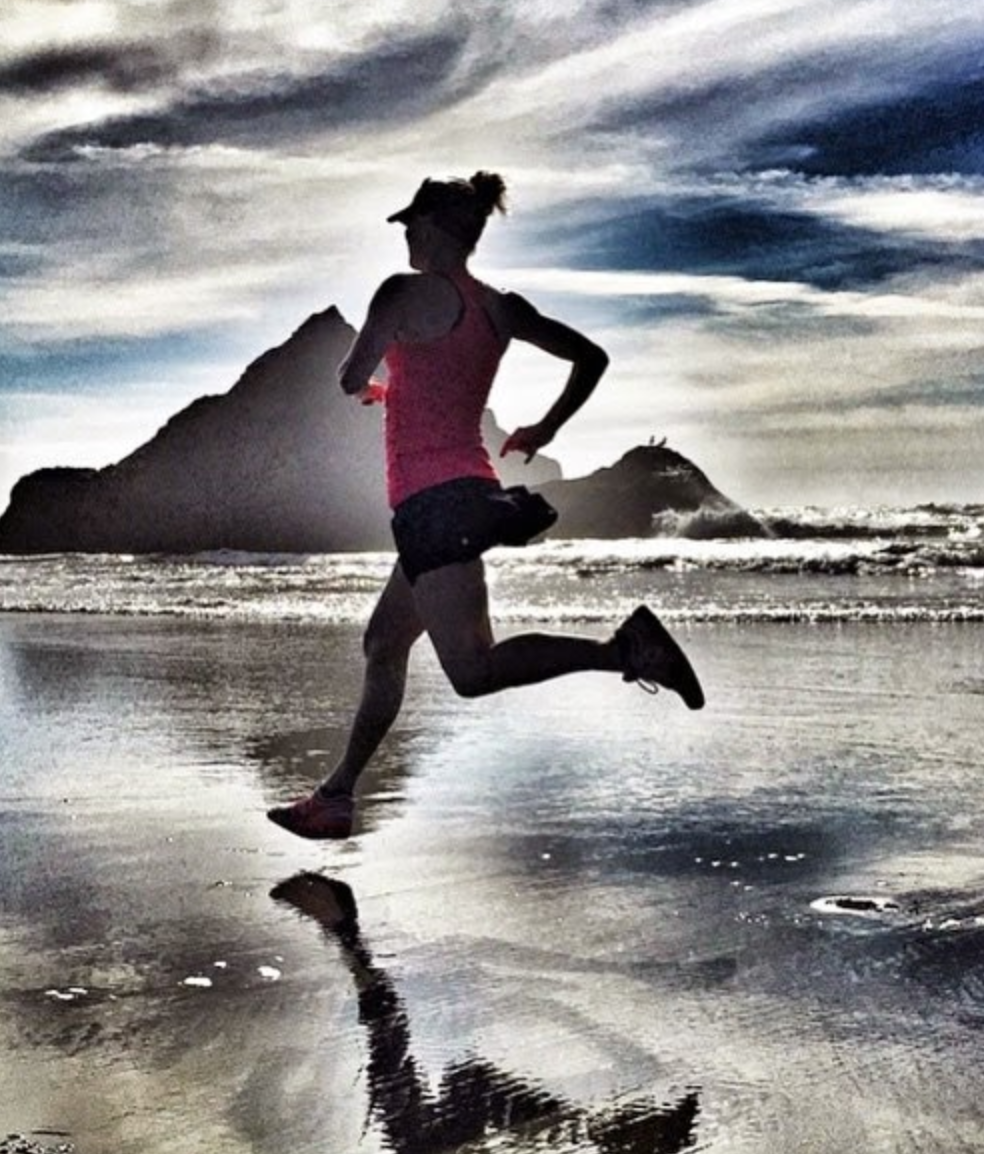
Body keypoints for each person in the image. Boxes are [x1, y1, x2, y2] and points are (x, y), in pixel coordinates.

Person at [268, 171, 704, 839]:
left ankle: (626, 651)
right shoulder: (500, 309)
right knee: (385, 643)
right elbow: (590, 356)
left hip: (431, 506)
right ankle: (337, 796)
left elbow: (349, 377)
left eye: (412, 224)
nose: (406, 234)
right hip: (464, 494)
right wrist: (545, 428)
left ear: (438, 230)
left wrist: (378, 376)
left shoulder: (399, 294)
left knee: (473, 671)